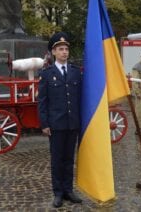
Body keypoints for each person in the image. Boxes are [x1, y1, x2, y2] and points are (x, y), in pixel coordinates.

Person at [38, 32, 82, 208]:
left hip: (72, 123)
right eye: (60, 49)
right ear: (53, 52)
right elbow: (42, 101)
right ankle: (57, 193)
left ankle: (68, 190)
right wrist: (44, 124)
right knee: (57, 160)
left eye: (66, 49)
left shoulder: (75, 72)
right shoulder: (47, 74)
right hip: (55, 125)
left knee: (69, 159)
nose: (64, 52)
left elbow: (80, 97)